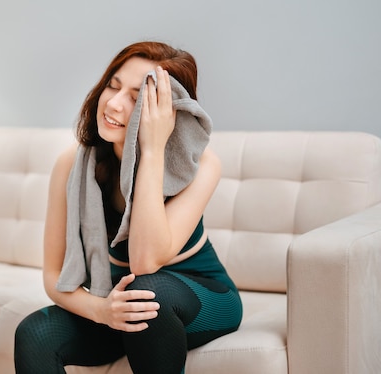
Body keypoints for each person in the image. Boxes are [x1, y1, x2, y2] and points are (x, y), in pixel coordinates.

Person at [14, 41, 243, 374]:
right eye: (113, 85)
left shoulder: (202, 166)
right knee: (36, 332)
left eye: (137, 98)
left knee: (145, 294)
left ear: (167, 110)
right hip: (122, 305)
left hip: (203, 298)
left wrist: (152, 151)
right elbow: (54, 278)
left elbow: (145, 261)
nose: (114, 104)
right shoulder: (71, 166)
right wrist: (102, 310)